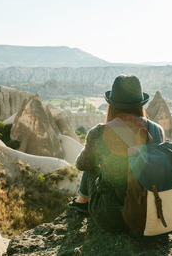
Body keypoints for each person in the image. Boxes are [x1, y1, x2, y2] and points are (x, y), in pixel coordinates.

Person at [68, 74, 165, 232]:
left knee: (91, 163)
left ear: (112, 105)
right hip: (150, 211)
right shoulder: (156, 130)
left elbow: (81, 165)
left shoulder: (99, 132)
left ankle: (81, 202)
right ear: (140, 104)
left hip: (113, 217)